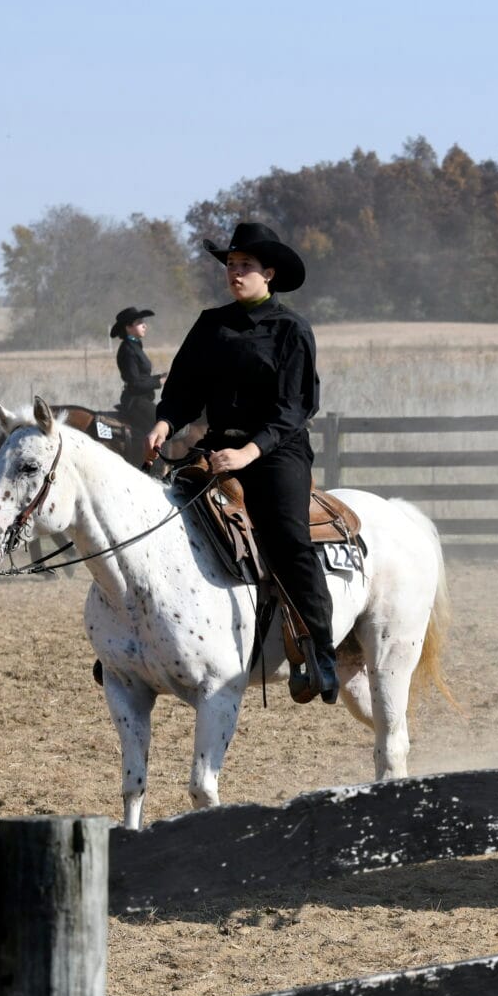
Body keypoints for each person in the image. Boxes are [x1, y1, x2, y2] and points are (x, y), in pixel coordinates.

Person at [144, 222, 339, 704]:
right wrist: (165, 423)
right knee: (162, 520)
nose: (235, 274)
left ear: (268, 273)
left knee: (288, 537)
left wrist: (250, 451)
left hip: (277, 451)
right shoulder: (211, 324)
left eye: (245, 266)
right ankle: (137, 644)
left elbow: (295, 408)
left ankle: (321, 650)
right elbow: (184, 389)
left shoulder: (292, 329)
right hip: (216, 447)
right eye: (230, 266)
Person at [110, 305, 159, 463]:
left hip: (142, 399)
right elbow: (135, 384)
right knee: (161, 425)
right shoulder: (127, 349)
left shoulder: (134, 346)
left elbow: (141, 378)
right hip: (135, 402)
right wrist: (159, 381)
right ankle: (155, 467)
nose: (144, 325)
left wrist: (160, 378)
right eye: (139, 322)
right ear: (128, 327)